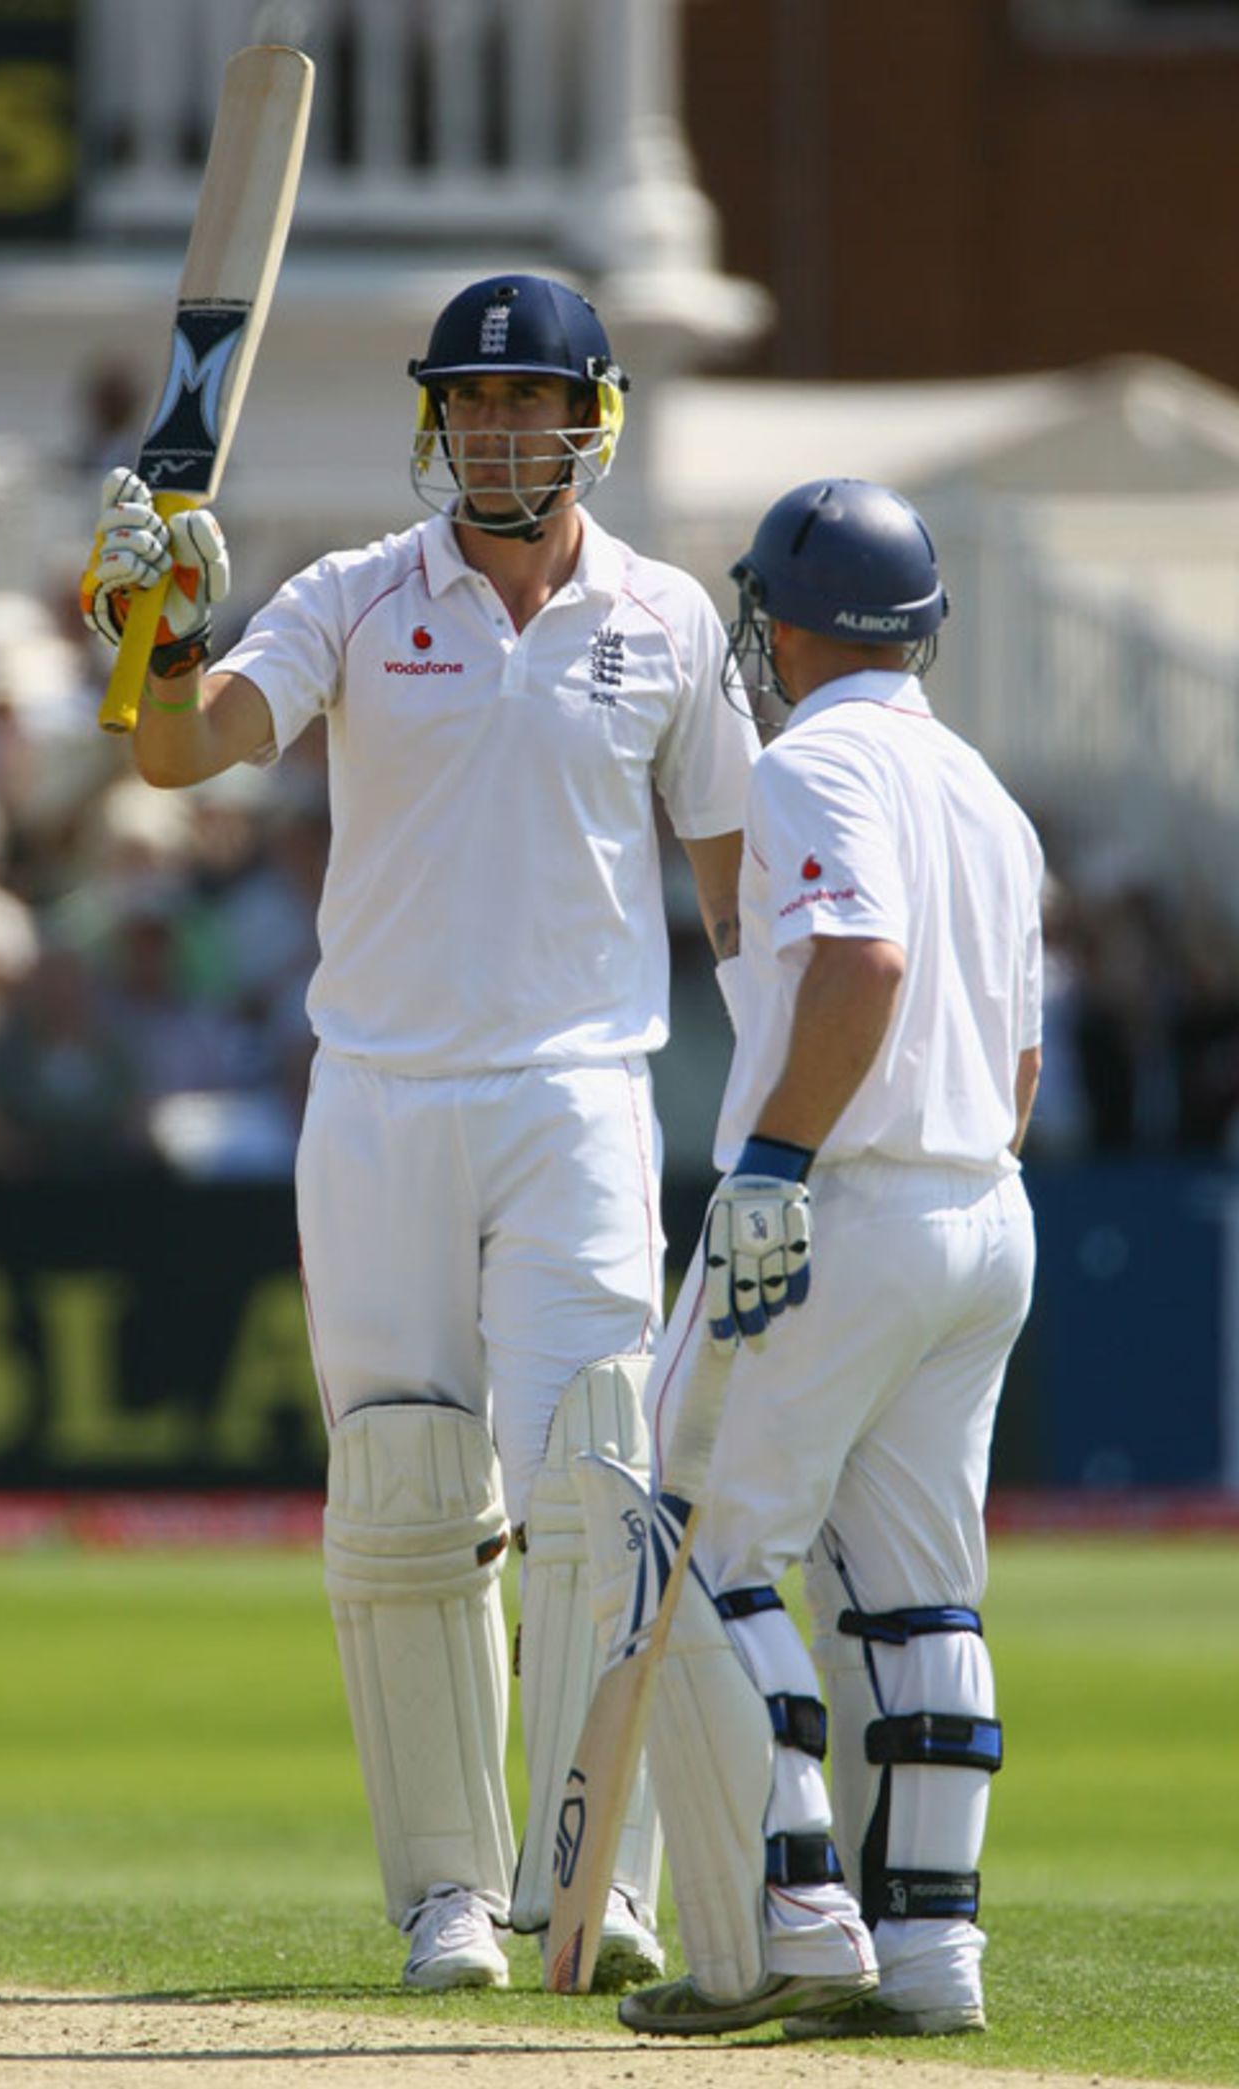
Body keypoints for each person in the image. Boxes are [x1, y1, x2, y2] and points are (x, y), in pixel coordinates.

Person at [77, 274, 758, 1991]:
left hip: (581, 1094)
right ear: (435, 420)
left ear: (593, 417)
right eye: (469, 403)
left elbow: (744, 905)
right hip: (377, 1096)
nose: (496, 433)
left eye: (529, 404)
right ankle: (451, 1893)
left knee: (602, 1473)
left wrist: (785, 1127)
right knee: (400, 1491)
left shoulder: (669, 620)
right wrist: (148, 618)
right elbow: (178, 751)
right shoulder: (357, 596)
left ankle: (595, 1871)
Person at [601, 478, 1043, 2039]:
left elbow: (863, 960)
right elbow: (1027, 1056)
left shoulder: (811, 760)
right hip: (986, 1208)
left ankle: (794, 1912)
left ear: (785, 622)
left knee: (706, 1545)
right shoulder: (987, 788)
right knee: (925, 1599)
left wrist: (779, 1160)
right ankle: (934, 1955)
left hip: (840, 1198)